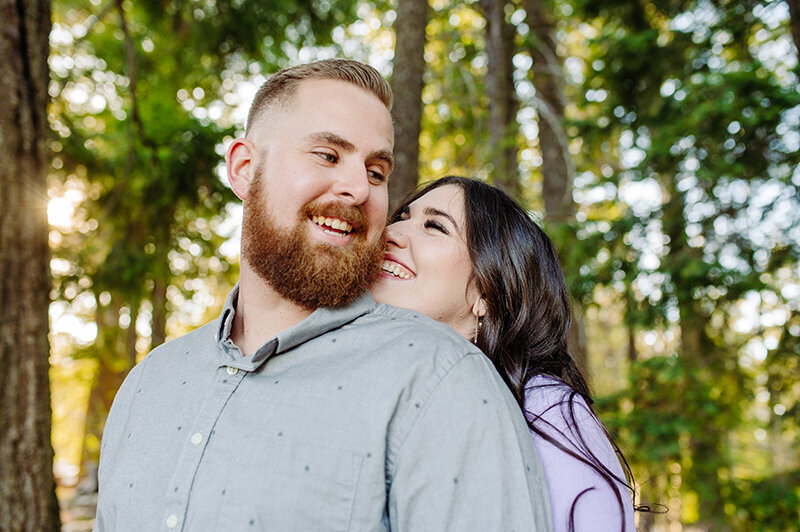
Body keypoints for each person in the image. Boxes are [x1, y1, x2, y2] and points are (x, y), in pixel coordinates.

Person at [93, 61, 553, 531]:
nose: (359, 189)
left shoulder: (440, 378)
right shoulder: (147, 385)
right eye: (328, 155)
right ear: (245, 170)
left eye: (376, 172)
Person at [371, 175, 637, 532]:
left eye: (434, 226)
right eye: (401, 216)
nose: (392, 232)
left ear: (486, 292)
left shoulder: (547, 410)